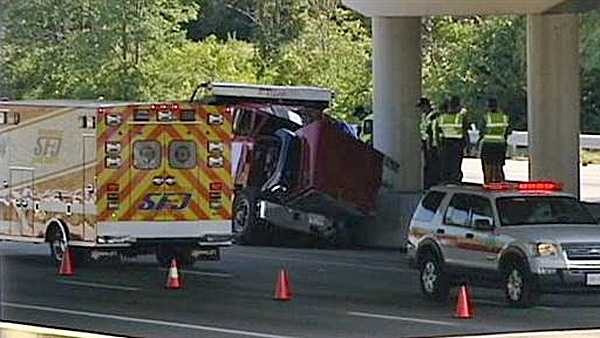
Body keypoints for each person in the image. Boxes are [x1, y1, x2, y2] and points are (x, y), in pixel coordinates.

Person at [478, 98, 511, 184]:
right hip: (501, 145)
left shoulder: (486, 117)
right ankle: (499, 184)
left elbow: (481, 131)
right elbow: (508, 131)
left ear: (488, 106)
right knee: (498, 167)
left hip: (488, 145)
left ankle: (488, 185)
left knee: (487, 168)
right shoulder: (504, 117)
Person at [437, 96, 469, 183]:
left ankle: (445, 184)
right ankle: (455, 183)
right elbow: (465, 132)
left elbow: (438, 133)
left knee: (445, 167)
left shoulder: (442, 118)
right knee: (455, 167)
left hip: (445, 144)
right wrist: (466, 145)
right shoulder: (461, 118)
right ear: (458, 106)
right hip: (457, 145)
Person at [417, 97, 440, 189]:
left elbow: (433, 132)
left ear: (426, 106)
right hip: (425, 143)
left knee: (432, 165)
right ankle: (428, 184)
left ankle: (432, 184)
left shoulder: (433, 116)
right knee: (427, 165)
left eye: (421, 107)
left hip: (431, 144)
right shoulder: (424, 116)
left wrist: (433, 144)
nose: (421, 110)